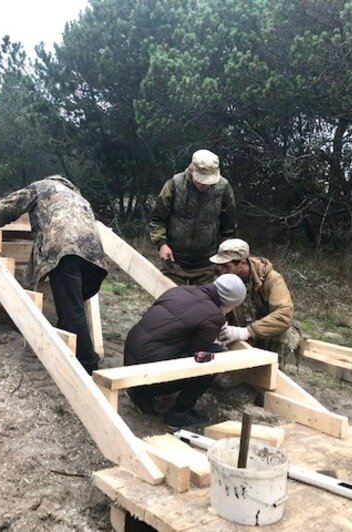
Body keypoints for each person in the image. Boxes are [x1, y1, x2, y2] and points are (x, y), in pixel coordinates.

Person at [0, 175, 108, 374]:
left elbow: (11, 206)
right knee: (70, 308)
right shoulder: (77, 197)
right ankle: (67, 347)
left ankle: (87, 365)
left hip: (66, 251)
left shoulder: (42, 187)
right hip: (95, 257)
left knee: (72, 312)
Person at [123, 273, 246, 428]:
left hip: (131, 361)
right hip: (147, 374)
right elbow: (194, 355)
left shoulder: (180, 290)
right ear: (229, 303)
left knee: (168, 348)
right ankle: (179, 414)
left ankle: (138, 393)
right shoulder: (213, 317)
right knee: (214, 357)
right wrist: (213, 338)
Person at [210, 238, 304, 365]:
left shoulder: (272, 279)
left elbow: (284, 315)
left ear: (243, 263)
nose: (220, 270)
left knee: (286, 335)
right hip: (236, 329)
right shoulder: (222, 278)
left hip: (261, 332)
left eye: (226, 266)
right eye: (219, 265)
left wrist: (246, 332)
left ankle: (272, 372)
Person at [149, 149, 237, 285]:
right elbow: (157, 220)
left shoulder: (224, 188)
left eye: (208, 182)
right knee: (170, 303)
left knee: (201, 305)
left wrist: (224, 257)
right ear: (191, 170)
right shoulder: (174, 185)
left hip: (207, 264)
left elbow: (228, 228)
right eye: (200, 181)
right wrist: (162, 244)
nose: (204, 185)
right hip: (174, 261)